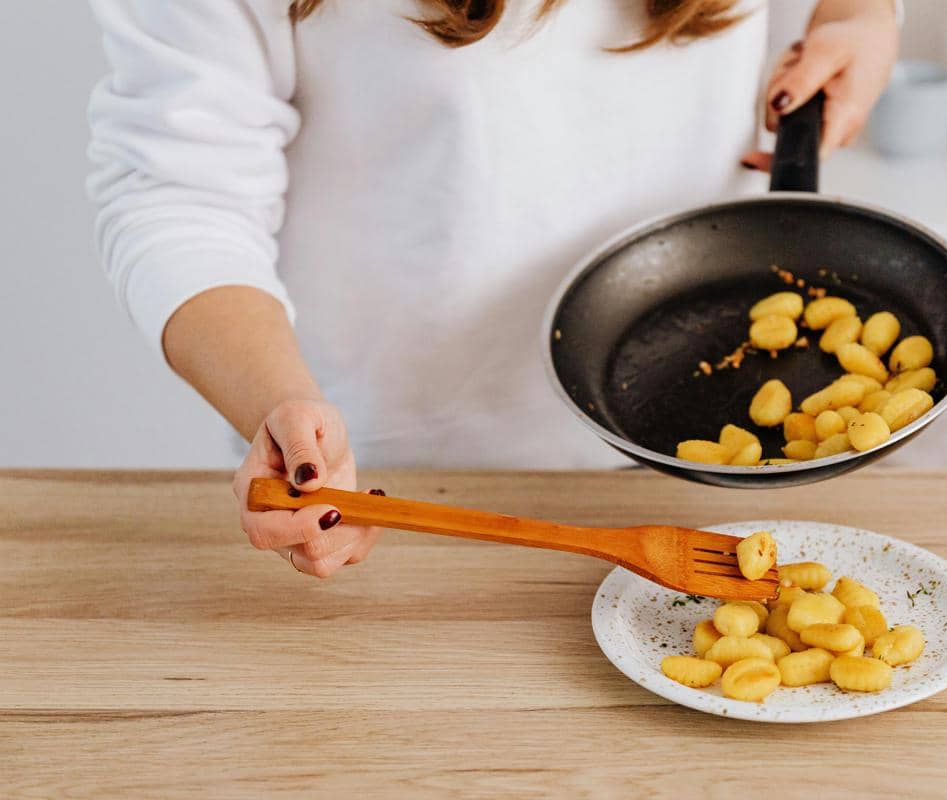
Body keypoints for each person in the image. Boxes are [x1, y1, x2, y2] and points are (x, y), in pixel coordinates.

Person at [88, 0, 900, 577]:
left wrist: (855, 16)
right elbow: (180, 192)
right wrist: (276, 403)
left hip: (702, 435)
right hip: (391, 483)